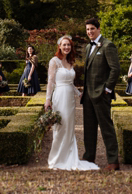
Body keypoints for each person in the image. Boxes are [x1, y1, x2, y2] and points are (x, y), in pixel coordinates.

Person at [44, 35, 99, 170]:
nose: (67, 47)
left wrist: (78, 93)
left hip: (70, 98)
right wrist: (47, 99)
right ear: (59, 46)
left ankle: (69, 157)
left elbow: (70, 83)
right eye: (64, 45)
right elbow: (51, 82)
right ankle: (56, 159)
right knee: (60, 126)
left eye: (68, 45)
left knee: (69, 127)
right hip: (59, 96)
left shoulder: (70, 61)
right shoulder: (54, 61)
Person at [80, 17, 121, 171]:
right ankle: (89, 157)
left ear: (98, 29)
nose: (89, 32)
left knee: (106, 128)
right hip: (88, 95)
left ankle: (113, 161)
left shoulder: (108, 45)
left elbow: (115, 69)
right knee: (88, 128)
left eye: (92, 29)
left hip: (101, 94)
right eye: (87, 30)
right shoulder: (87, 47)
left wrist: (107, 89)